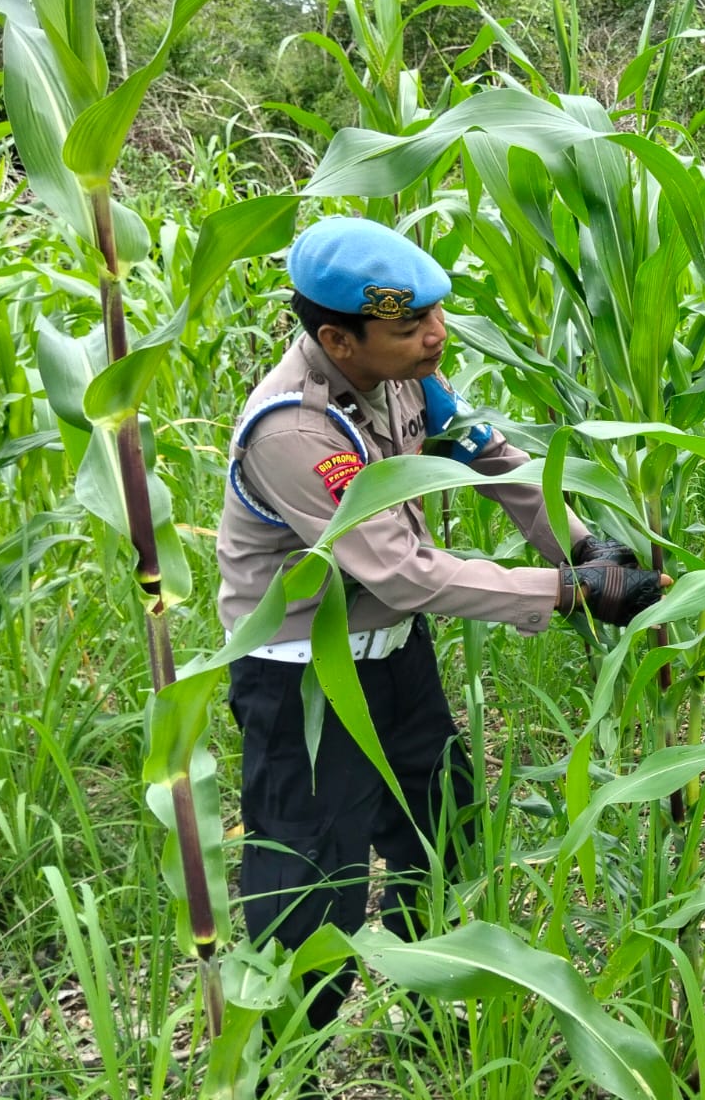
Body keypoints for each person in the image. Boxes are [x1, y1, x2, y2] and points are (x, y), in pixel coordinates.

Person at [215, 216, 666, 1061]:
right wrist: (570, 594)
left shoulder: (408, 380)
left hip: (394, 663)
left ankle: (436, 1010)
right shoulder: (294, 434)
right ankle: (284, 1067)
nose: (436, 336)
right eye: (409, 326)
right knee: (316, 889)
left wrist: (580, 544)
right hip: (305, 684)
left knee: (444, 835)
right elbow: (405, 573)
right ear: (336, 340)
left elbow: (496, 463)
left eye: (437, 315)